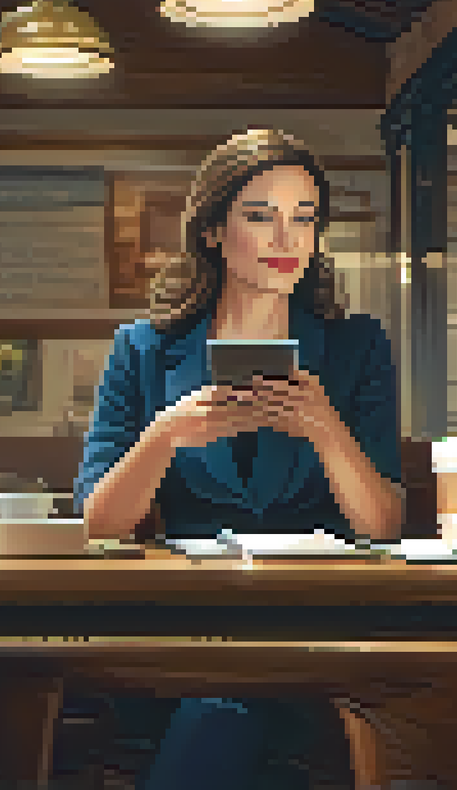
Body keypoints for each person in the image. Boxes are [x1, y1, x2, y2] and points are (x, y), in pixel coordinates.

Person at [72, 128, 404, 789]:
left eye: (303, 219)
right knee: (222, 705)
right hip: (186, 626)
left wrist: (328, 432)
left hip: (319, 629)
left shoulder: (356, 346)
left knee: (231, 709)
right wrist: (162, 436)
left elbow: (383, 524)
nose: (287, 240)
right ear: (213, 232)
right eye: (261, 216)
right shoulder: (143, 350)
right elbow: (98, 524)